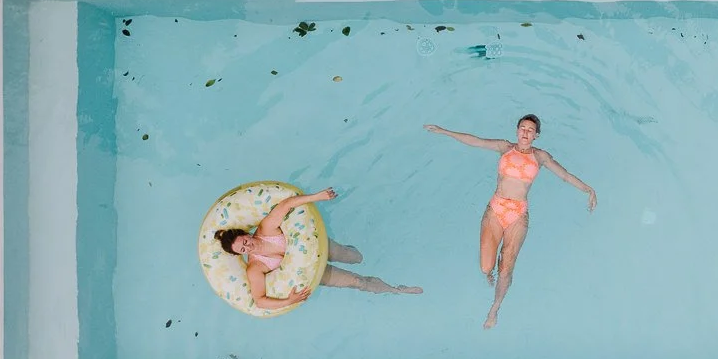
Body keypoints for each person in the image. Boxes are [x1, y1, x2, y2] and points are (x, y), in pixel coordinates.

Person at [424, 115, 596, 328]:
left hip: (518, 216)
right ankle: (490, 274)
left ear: (536, 135)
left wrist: (588, 189)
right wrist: (445, 131)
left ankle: (495, 307)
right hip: (495, 210)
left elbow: (565, 175)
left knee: (506, 267)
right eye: (522, 128)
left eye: (530, 130)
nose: (525, 132)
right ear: (516, 131)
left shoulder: (540, 157)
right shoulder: (504, 147)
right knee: (486, 268)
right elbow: (474, 140)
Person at [214, 187, 421, 310]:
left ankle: (361, 254)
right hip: (314, 270)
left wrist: (318, 196)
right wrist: (289, 300)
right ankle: (397, 290)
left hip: (317, 244)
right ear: (242, 254)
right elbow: (259, 301)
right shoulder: (255, 268)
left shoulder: (266, 228)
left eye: (244, 241)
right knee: (357, 281)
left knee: (355, 256)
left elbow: (286, 205)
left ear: (246, 234)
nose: (248, 246)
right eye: (243, 250)